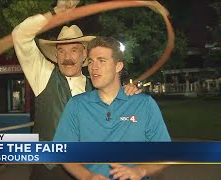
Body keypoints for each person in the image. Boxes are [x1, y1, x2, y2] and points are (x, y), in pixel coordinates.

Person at [12, 0, 140, 179]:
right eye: (62, 52)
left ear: (84, 55)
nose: (67, 58)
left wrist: (128, 94)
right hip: (48, 170)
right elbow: (19, 35)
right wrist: (55, 12)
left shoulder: (96, 87)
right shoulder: (43, 75)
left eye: (73, 50)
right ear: (56, 56)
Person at [53, 36, 171, 180]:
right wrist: (88, 176)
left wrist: (140, 171)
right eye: (90, 61)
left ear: (118, 66)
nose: (94, 67)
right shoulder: (76, 105)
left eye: (101, 61)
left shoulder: (144, 104)